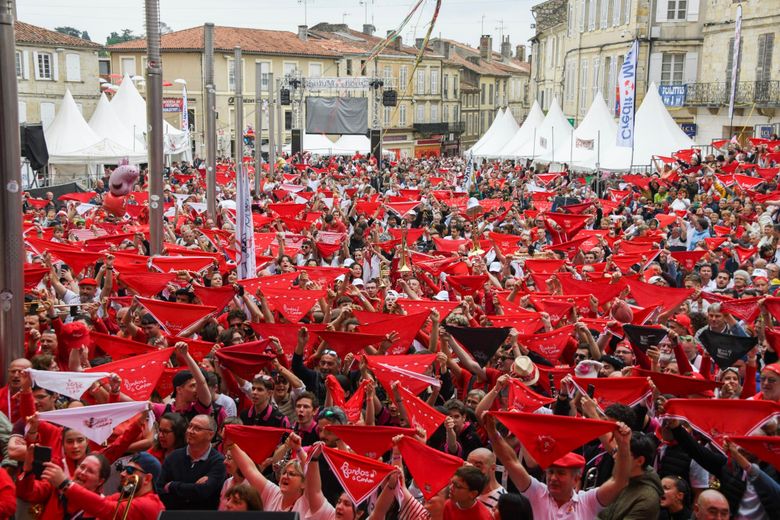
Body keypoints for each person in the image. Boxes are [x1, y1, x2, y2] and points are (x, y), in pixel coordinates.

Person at [486, 414, 632, 518]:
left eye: (561, 473)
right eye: (550, 472)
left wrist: (624, 445)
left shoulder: (588, 501)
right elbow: (511, 462)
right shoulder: (537, 493)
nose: (553, 478)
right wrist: (493, 433)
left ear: (576, 479)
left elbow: (619, 481)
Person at [44, 452, 165, 520]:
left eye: (130, 470)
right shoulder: (122, 496)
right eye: (123, 469)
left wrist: (66, 485)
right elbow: (95, 507)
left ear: (147, 479)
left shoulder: (149, 504)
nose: (122, 474)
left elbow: (105, 508)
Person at [159, 414, 226, 510]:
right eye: (190, 426)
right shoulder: (174, 457)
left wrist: (172, 485)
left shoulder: (218, 462)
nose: (190, 431)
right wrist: (192, 488)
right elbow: (160, 489)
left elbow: (202, 491)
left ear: (210, 435)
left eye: (197, 428)